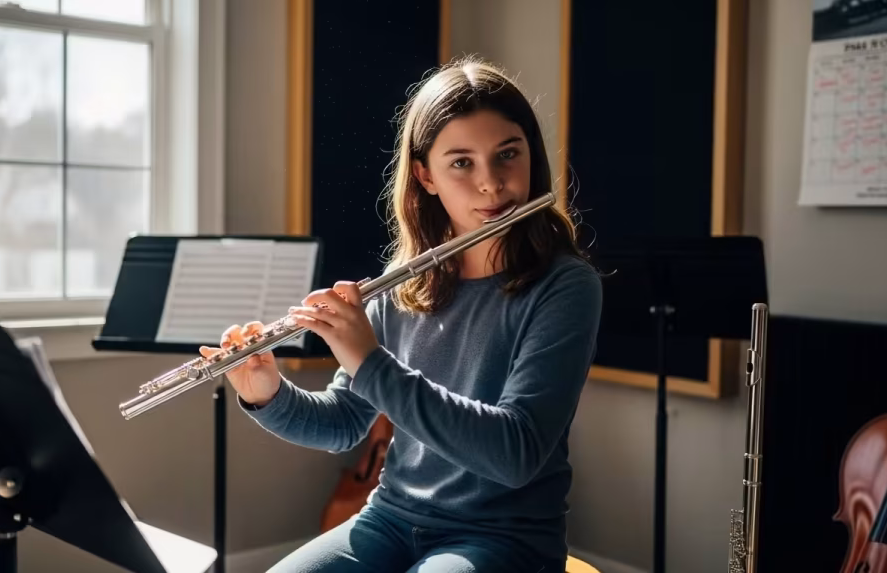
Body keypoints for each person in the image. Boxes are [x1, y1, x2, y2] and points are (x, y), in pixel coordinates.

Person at [199, 56, 603, 573]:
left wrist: (370, 363)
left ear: (532, 155)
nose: (491, 183)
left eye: (507, 154)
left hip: (503, 536)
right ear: (424, 175)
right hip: (390, 519)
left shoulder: (565, 286)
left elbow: (516, 453)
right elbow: (345, 423)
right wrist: (266, 393)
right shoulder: (405, 284)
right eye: (461, 162)